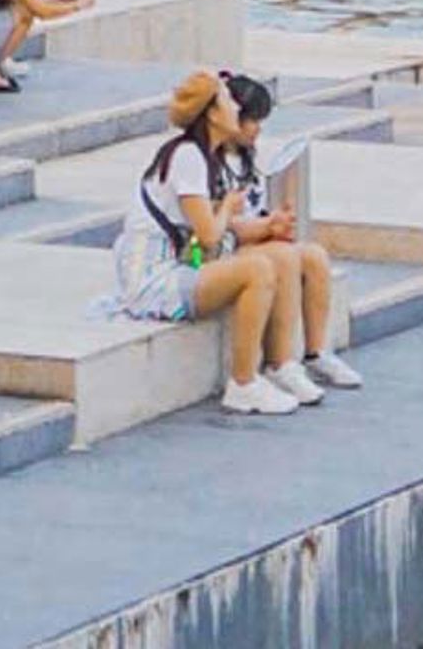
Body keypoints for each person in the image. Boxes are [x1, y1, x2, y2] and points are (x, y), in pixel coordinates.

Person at [95, 70, 306, 416]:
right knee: (257, 269)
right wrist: (226, 207)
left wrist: (267, 226)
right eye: (226, 100)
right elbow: (209, 234)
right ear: (210, 112)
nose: (235, 106)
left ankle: (281, 364)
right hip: (153, 277)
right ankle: (243, 383)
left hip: (180, 262)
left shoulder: (205, 156)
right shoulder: (188, 157)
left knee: (279, 256)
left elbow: (210, 235)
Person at [221, 73, 364, 391]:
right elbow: (220, 226)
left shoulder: (247, 160)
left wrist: (276, 219)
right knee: (283, 257)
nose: (257, 129)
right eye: (252, 120)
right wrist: (267, 228)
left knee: (313, 256)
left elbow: (255, 209)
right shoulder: (210, 164)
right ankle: (280, 363)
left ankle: (315, 353)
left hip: (254, 234)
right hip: (228, 246)